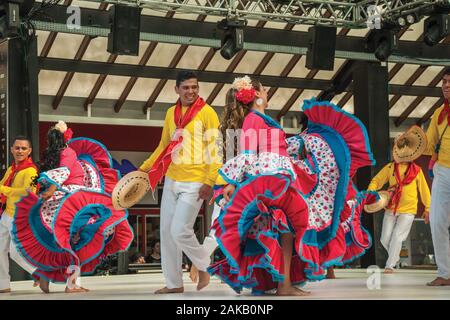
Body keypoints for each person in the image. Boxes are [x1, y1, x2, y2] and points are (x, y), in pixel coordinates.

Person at [11, 121, 133, 293]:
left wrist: (51, 191)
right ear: (66, 137)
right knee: (77, 242)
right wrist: (52, 187)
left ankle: (44, 277)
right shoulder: (68, 152)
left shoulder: (52, 154)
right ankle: (72, 285)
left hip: (58, 201)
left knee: (62, 243)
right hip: (74, 200)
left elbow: (59, 173)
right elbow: (65, 172)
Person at [139, 70, 221, 294]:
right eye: (186, 87)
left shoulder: (207, 112)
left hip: (196, 181)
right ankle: (174, 283)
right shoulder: (170, 113)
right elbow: (163, 146)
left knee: (180, 230)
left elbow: (216, 150)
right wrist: (145, 168)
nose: (191, 91)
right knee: (166, 232)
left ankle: (203, 267)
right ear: (177, 89)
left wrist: (210, 180)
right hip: (172, 178)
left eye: (194, 87)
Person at [367, 126, 430, 274]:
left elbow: (424, 191)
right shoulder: (390, 168)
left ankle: (390, 265)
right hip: (391, 208)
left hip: (408, 210)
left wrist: (428, 208)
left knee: (397, 236)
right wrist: (371, 191)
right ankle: (394, 259)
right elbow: (377, 180)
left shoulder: (417, 171)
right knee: (384, 239)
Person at [0, 136, 38, 293]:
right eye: (17, 148)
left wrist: (4, 190)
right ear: (11, 150)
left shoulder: (31, 171)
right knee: (0, 250)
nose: (20, 151)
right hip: (6, 215)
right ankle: (3, 285)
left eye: (23, 148)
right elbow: (2, 185)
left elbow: (30, 192)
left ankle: (39, 273)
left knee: (15, 253)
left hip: (20, 216)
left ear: (29, 151)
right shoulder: (11, 169)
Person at [425, 67, 450, 286]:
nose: (446, 85)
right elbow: (429, 142)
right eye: (444, 81)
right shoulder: (438, 113)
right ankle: (445, 273)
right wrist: (409, 144)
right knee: (436, 221)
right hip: (442, 170)